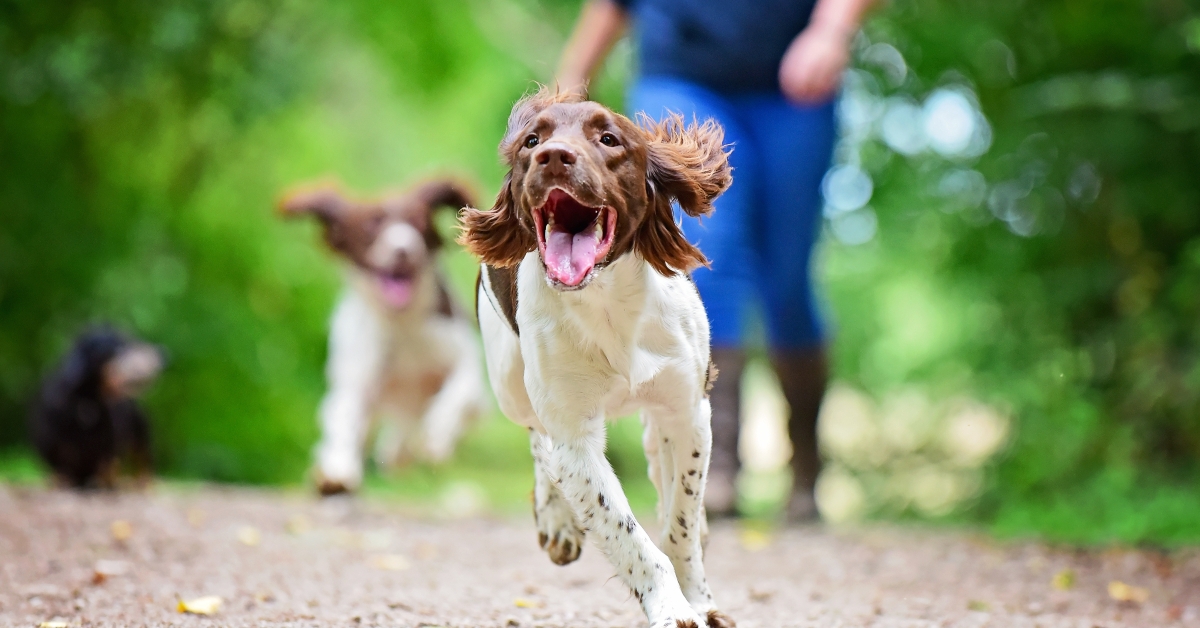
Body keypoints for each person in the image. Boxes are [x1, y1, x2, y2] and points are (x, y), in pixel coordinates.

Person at [557, 0, 874, 521]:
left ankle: (807, 471)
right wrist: (571, 88)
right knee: (711, 255)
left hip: (793, 86)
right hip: (681, 78)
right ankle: (714, 465)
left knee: (787, 279)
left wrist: (829, 28)